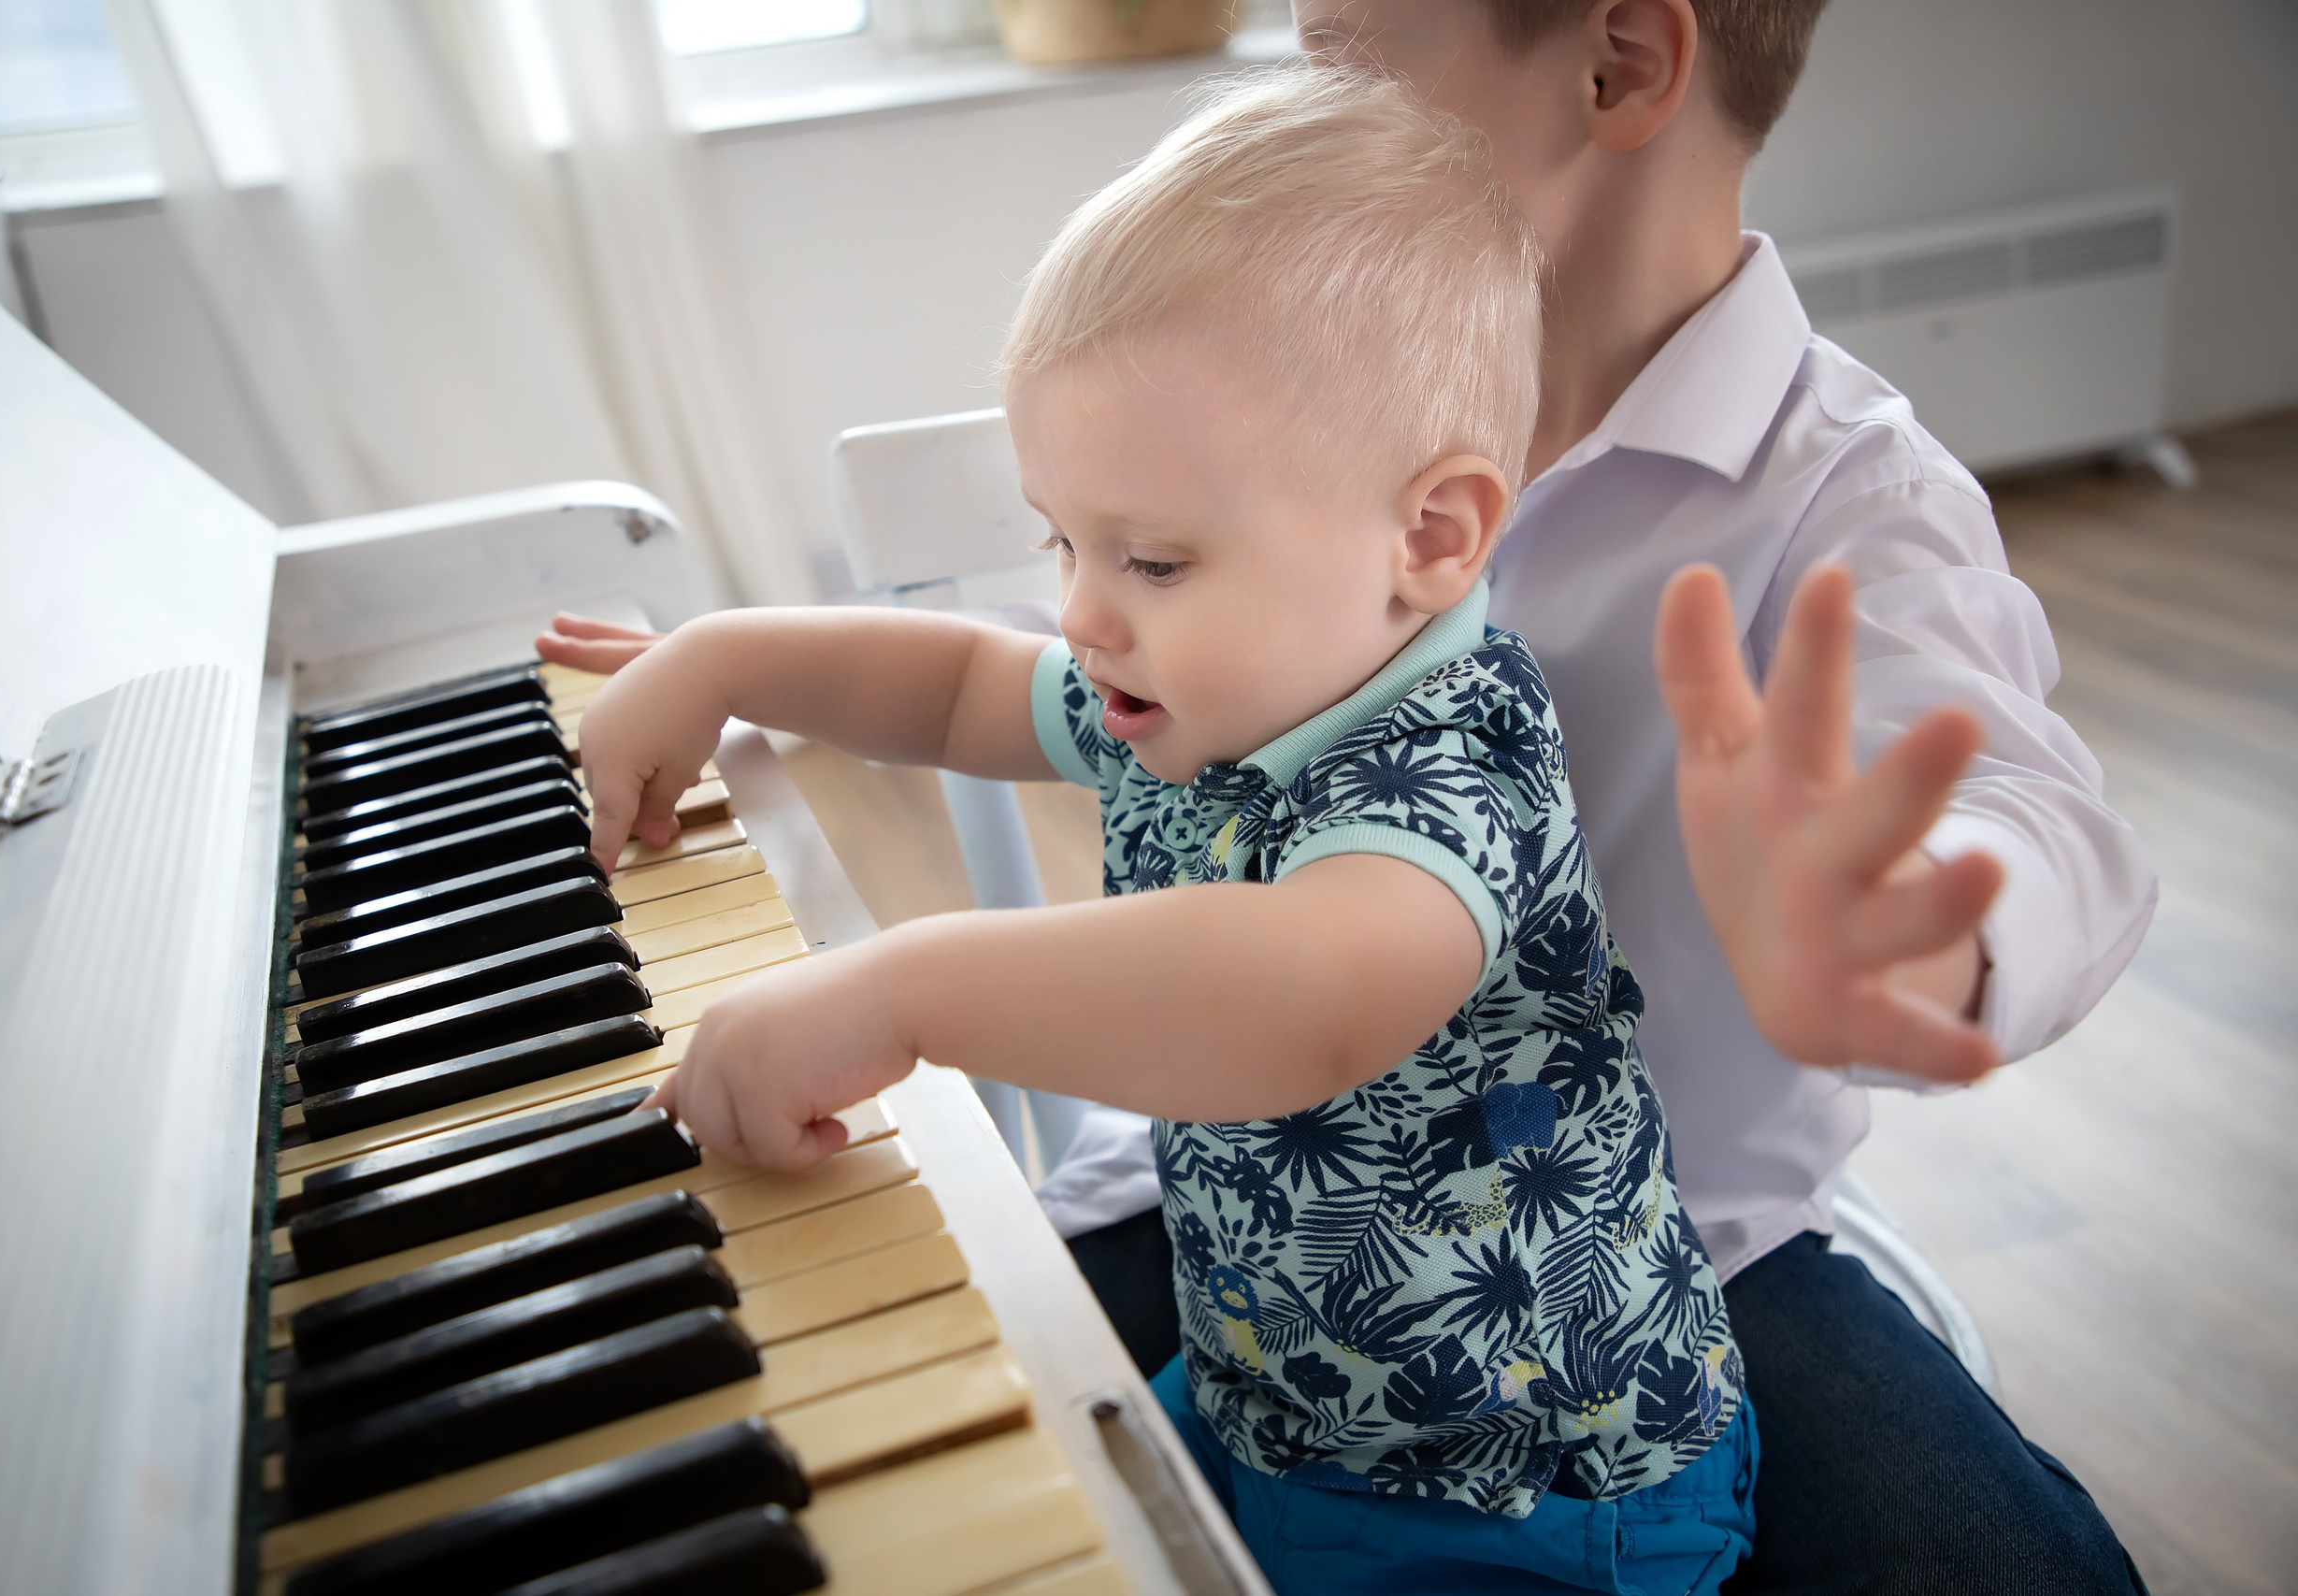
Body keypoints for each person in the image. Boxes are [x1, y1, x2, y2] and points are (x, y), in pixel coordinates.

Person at [544, 4, 2159, 1588]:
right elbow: (979, 682)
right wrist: (724, 655)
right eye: (1072, 546)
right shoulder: (1259, 471)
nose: (1094, 606)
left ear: (1618, 62)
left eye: (1344, 54)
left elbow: (1320, 991)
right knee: (848, 1470)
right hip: (1259, 1274)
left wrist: (1908, 931)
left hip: (1599, 1348)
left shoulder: (1814, 504)